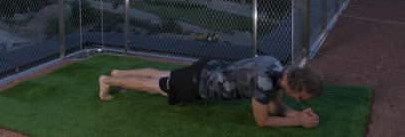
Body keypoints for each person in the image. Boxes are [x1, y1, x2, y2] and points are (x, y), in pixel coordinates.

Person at [98, 56, 323, 128]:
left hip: (206, 69)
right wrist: (298, 121)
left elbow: (276, 106)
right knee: (154, 86)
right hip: (199, 84)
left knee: (159, 74)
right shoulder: (265, 82)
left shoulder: (275, 66)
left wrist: (297, 115)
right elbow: (262, 120)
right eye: (302, 97)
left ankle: (118, 74)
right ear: (296, 86)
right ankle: (108, 80)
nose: (300, 100)